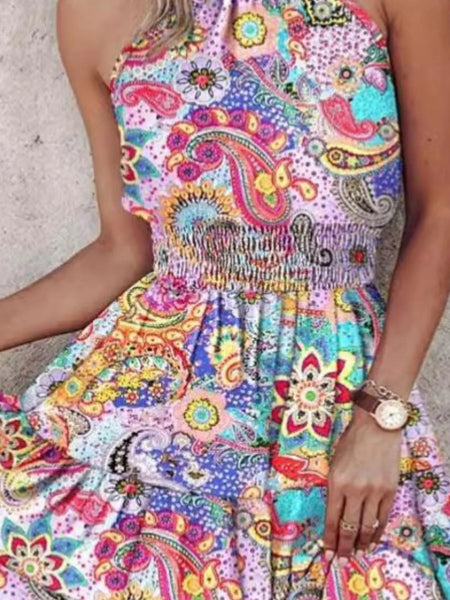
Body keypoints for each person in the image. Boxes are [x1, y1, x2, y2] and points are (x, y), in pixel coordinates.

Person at [0, 0, 449, 598]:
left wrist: (379, 417)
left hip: (335, 399)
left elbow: (441, 213)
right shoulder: (92, 12)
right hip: (158, 404)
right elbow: (124, 252)